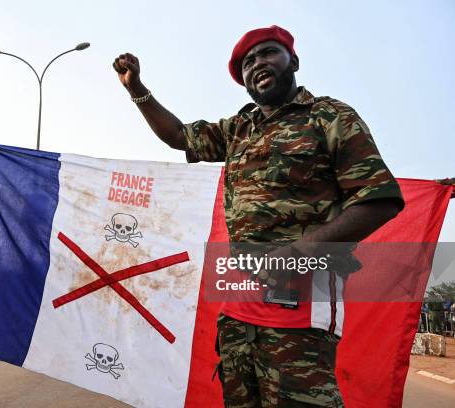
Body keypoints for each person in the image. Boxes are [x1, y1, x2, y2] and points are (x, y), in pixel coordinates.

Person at [114, 25, 404, 407]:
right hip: (238, 308)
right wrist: (137, 89)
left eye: (268, 53)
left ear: (293, 61)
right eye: (248, 62)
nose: (257, 64)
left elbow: (379, 199)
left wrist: (298, 252)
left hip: (299, 306)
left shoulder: (329, 116)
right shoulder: (238, 129)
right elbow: (180, 136)